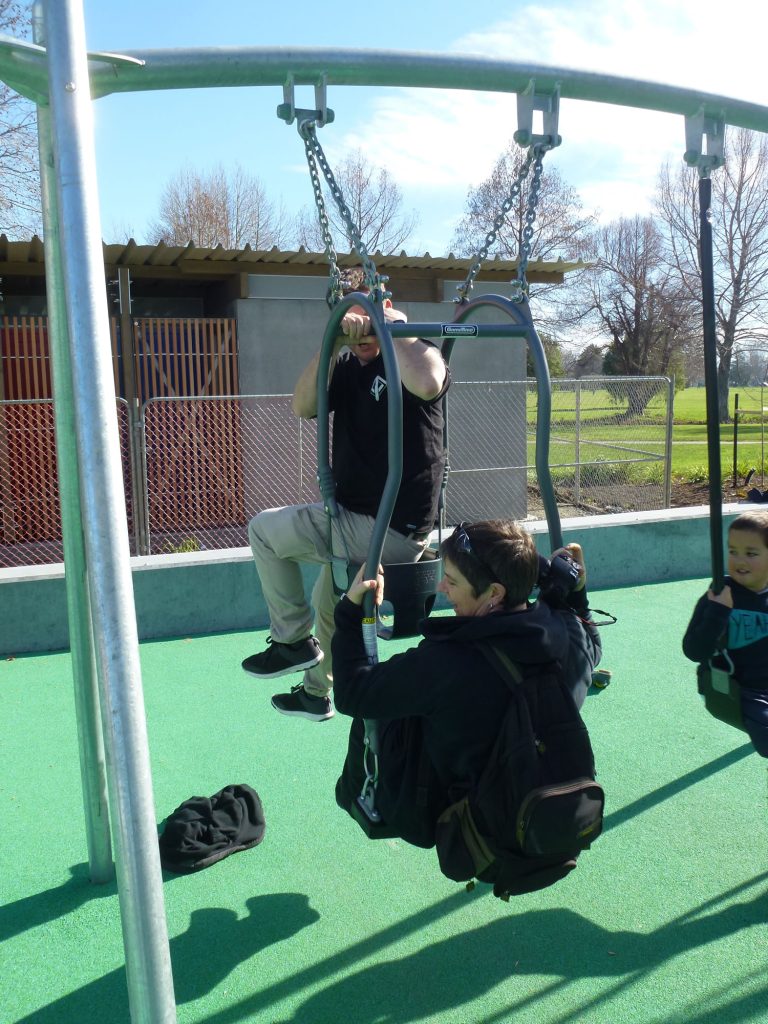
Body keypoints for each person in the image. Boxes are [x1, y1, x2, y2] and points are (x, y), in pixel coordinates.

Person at [241, 269, 450, 721]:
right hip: (354, 519)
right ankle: (317, 693)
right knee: (333, 605)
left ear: (385, 306)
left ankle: (292, 641)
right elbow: (301, 405)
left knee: (264, 530)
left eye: (366, 319)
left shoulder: (411, 354)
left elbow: (430, 383)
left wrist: (391, 330)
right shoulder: (346, 366)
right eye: (350, 323)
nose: (361, 334)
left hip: (391, 526)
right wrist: (332, 343)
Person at [331, 519, 602, 838]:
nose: (442, 589)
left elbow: (352, 693)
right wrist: (569, 588)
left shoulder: (447, 663)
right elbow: (592, 642)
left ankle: (362, 796)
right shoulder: (567, 638)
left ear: (494, 593)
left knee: (384, 712)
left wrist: (350, 612)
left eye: (452, 581)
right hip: (537, 797)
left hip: (461, 819)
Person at [683, 509, 768, 756]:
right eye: (733, 552)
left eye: (751, 554)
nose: (740, 561)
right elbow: (693, 650)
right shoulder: (720, 595)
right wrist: (718, 612)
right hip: (740, 688)